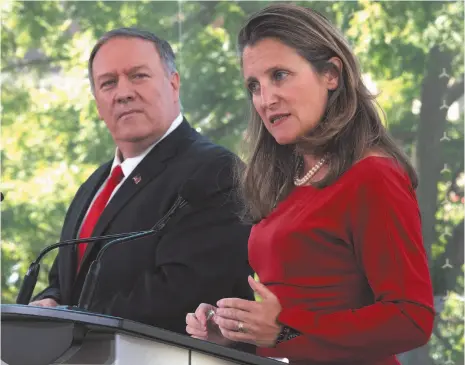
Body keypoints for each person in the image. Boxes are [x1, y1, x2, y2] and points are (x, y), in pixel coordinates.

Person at [186, 4, 435, 364]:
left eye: (280, 75)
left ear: (331, 73)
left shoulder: (373, 175)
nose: (266, 99)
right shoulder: (289, 182)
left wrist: (285, 327)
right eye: (254, 85)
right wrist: (237, 331)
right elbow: (289, 323)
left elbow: (411, 318)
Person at [29, 27, 253, 335]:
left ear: (174, 84)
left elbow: (183, 295)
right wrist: (48, 303)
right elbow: (65, 283)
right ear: (97, 103)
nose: (123, 93)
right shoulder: (94, 186)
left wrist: (71, 318)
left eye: (138, 76)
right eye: (108, 83)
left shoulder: (215, 172)